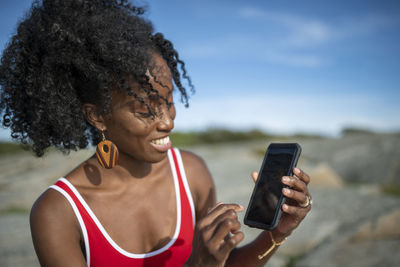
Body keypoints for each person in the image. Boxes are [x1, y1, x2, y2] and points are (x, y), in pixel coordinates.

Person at [0, 1, 312, 266]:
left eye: (170, 102)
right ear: (97, 116)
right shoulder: (58, 213)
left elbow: (222, 262)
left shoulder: (191, 173)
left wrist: (278, 231)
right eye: (146, 109)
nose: (167, 122)